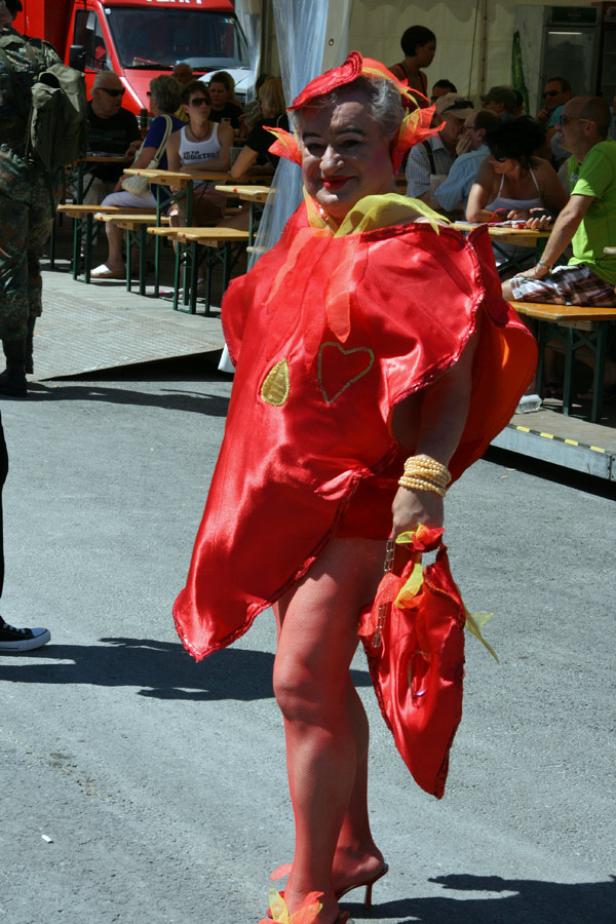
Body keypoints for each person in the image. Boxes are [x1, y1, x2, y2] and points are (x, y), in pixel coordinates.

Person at [173, 52, 535, 924]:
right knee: (322, 685)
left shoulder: (415, 242)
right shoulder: (314, 231)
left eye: (352, 145)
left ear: (393, 146)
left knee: (301, 683)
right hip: (296, 490)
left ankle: (310, 889)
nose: (330, 164)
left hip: (363, 492)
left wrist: (424, 476)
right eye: (315, 147)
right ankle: (348, 847)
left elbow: (452, 366)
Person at [503, 97, 616, 310]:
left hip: (606, 275)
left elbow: (572, 215)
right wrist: (543, 217)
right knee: (508, 288)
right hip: (591, 270)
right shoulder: (577, 161)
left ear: (588, 127)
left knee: (504, 292)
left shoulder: (603, 152)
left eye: (563, 120)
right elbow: (567, 213)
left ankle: (527, 344)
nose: (556, 127)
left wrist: (541, 267)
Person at [0, 0, 60, 395]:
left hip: (3, 175)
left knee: (7, 268)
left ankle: (15, 370)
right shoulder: (43, 53)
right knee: (29, 265)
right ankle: (23, 358)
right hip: (43, 179)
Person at [91, 76, 184, 279]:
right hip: (173, 193)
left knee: (109, 202)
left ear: (157, 100)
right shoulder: (180, 123)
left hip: (159, 192)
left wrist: (121, 181)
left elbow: (145, 159)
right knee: (130, 210)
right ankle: (134, 260)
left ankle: (114, 261)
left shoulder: (160, 122)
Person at [466, 116, 567, 224]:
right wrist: (511, 218)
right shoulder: (488, 167)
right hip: (493, 240)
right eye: (491, 153)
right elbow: (473, 214)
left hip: (535, 240)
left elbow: (563, 212)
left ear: (520, 157)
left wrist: (534, 215)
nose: (492, 160)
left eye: (499, 156)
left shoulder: (542, 170)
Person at [166, 81, 232, 226]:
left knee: (179, 215)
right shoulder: (175, 139)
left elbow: (225, 163)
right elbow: (172, 177)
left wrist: (191, 168)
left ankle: (187, 247)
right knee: (177, 215)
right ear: (186, 109)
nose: (204, 106)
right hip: (185, 195)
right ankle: (189, 246)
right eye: (197, 102)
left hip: (213, 196)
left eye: (206, 101)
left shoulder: (223, 131)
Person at [405, 94, 475, 206]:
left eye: (467, 121)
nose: (464, 126)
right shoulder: (421, 150)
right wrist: (460, 164)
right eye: (459, 120)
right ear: (438, 120)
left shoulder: (473, 150)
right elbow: (420, 199)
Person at [83, 71, 141, 205]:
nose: (119, 98)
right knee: (94, 189)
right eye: (113, 93)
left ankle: (110, 226)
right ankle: (91, 226)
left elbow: (136, 144)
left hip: (120, 176)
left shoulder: (128, 118)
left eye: (122, 92)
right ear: (97, 94)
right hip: (87, 173)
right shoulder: (81, 115)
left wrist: (134, 148)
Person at [434, 109, 500, 214]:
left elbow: (445, 202)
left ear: (480, 134)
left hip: (477, 226)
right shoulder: (509, 158)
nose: (461, 132)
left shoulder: (466, 161)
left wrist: (460, 159)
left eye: (465, 128)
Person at [230, 77, 287, 178]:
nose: (260, 106)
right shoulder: (297, 122)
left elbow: (236, 172)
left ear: (268, 103)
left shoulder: (264, 128)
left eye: (261, 101)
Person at [389, 25, 436, 103]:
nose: (433, 54)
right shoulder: (394, 74)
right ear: (417, 48)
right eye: (430, 49)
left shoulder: (422, 78)